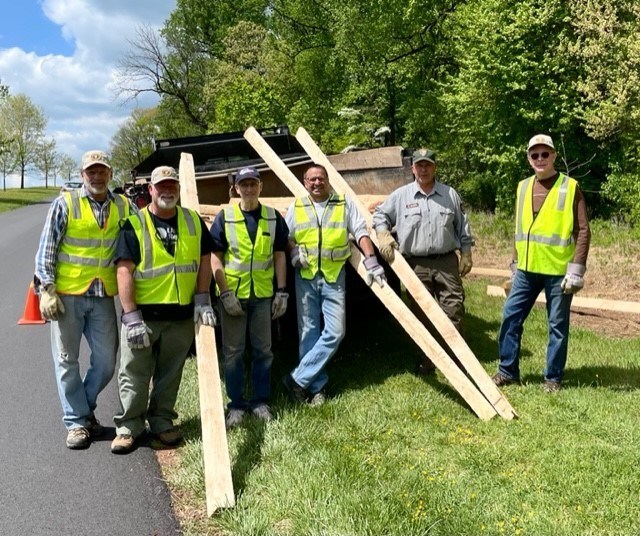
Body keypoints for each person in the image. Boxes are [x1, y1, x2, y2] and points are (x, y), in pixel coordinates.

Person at [111, 165, 215, 454]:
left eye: (172, 186)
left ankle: (161, 422)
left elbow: (205, 259)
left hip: (180, 316)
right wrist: (130, 316)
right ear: (151, 190)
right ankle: (128, 427)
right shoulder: (134, 224)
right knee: (134, 373)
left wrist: (203, 298)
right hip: (143, 317)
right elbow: (124, 271)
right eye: (162, 186)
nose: (167, 191)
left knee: (171, 374)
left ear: (178, 190)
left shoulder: (193, 221)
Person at [35, 150, 133, 449]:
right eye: (91, 171)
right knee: (67, 361)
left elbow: (138, 242)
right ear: (82, 175)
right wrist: (46, 289)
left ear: (110, 173)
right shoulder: (66, 203)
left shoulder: (124, 206)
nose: (97, 176)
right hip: (68, 296)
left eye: (102, 170)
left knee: (106, 361)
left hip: (103, 294)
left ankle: (82, 407)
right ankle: (76, 424)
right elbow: (47, 247)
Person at [492, 134, 591, 393]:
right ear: (528, 158)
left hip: (559, 273)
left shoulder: (570, 187)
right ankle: (508, 371)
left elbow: (583, 230)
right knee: (510, 318)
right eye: (534, 155)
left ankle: (552, 378)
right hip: (526, 271)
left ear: (554, 156)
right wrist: (514, 263)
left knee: (557, 326)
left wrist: (576, 270)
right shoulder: (522, 187)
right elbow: (520, 228)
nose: (539, 159)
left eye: (544, 154)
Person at [283, 163, 386, 405]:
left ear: (328, 180)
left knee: (336, 331)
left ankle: (297, 379)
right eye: (311, 180)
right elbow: (287, 237)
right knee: (308, 333)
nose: (316, 183)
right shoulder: (297, 206)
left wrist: (371, 260)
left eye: (320, 178)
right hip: (306, 276)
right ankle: (315, 388)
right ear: (305, 183)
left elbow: (361, 231)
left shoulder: (344, 203)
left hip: (334, 275)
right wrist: (294, 251)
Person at [372, 148, 474, 374]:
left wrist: (466, 253)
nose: (424, 169)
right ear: (412, 168)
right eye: (419, 165)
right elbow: (380, 215)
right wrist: (383, 233)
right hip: (414, 265)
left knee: (454, 309)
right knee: (420, 313)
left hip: (446, 261)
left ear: (435, 167)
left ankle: (458, 359)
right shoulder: (400, 196)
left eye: (428, 165)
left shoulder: (450, 195)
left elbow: (462, 226)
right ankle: (427, 358)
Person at [210, 166, 289, 429]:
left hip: (263, 295)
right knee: (232, 352)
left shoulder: (272, 216)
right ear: (236, 189)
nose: (249, 189)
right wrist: (224, 292)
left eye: (253, 183)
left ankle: (259, 401)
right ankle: (236, 404)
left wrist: (282, 290)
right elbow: (215, 257)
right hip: (234, 295)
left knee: (263, 351)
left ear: (260, 187)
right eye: (244, 185)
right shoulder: (226, 217)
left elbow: (279, 254)